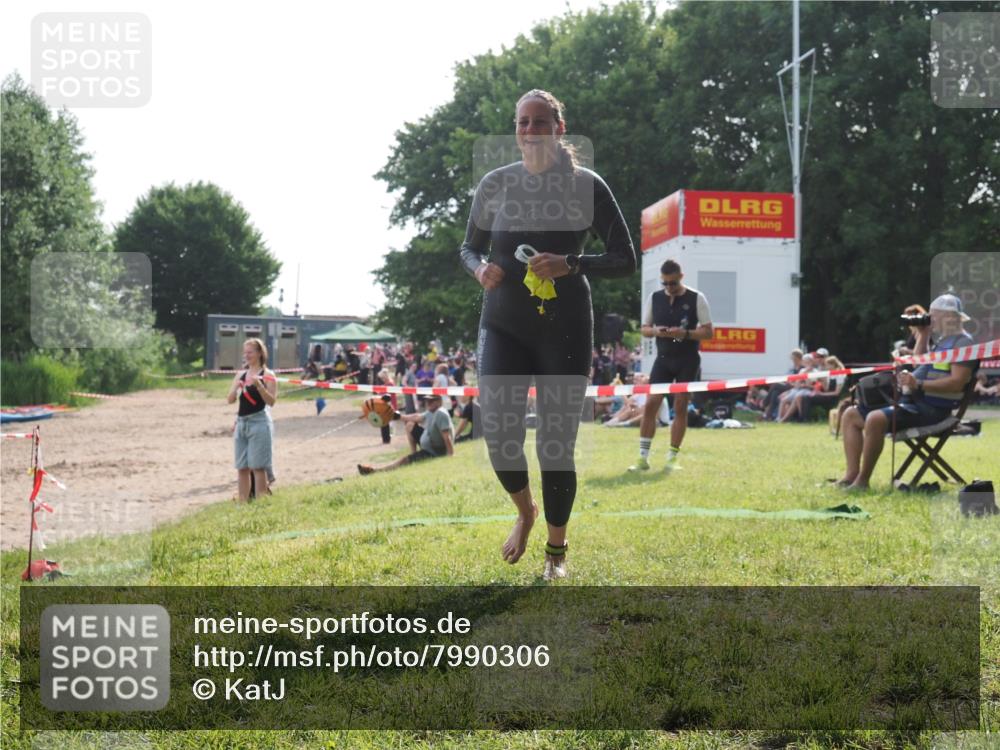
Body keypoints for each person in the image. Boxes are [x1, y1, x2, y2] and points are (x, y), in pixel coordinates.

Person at [460, 88, 636, 580]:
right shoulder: (495, 185)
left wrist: (571, 263)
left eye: (541, 122)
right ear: (515, 130)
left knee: (555, 445)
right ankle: (525, 511)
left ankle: (556, 551)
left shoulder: (587, 186)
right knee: (498, 435)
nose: (531, 130)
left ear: (560, 128)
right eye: (523, 122)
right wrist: (479, 271)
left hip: (565, 327)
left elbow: (625, 259)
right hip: (503, 323)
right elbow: (468, 249)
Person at [838, 294, 976, 490]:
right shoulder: (943, 341)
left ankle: (862, 481)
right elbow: (918, 364)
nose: (930, 318)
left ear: (950, 317)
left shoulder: (963, 344)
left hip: (933, 410)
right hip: (915, 404)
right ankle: (851, 475)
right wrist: (923, 334)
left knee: (875, 419)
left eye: (934, 315)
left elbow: (956, 383)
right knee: (850, 414)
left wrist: (918, 384)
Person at [630, 259, 713, 473]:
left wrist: (684, 334)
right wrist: (658, 331)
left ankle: (672, 457)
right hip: (664, 359)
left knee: (680, 406)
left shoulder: (697, 298)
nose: (669, 288)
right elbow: (645, 329)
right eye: (664, 283)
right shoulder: (655, 298)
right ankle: (642, 458)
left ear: (681, 277)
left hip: (688, 359)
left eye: (673, 283)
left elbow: (708, 332)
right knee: (651, 405)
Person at [227, 338, 278, 502]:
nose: (246, 355)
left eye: (250, 352)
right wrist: (235, 389)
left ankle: (260, 504)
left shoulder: (268, 375)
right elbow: (230, 400)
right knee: (242, 467)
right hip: (242, 423)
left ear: (259, 353)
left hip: (259, 423)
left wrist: (260, 387)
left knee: (258, 467)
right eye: (245, 352)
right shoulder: (240, 374)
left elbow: (271, 401)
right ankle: (243, 504)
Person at [357, 393, 454, 474]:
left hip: (433, 452)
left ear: (439, 401)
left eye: (432, 400)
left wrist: (450, 455)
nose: (428, 403)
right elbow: (417, 417)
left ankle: (375, 471)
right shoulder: (432, 412)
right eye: (427, 400)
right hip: (429, 443)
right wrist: (398, 416)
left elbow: (446, 436)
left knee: (404, 460)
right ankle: (414, 453)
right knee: (410, 425)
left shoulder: (440, 414)